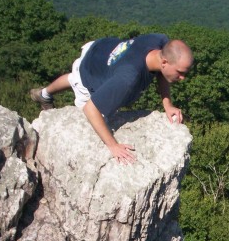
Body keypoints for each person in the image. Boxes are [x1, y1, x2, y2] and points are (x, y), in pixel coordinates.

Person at [30, 33, 194, 165]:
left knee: (75, 77)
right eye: (180, 72)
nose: (182, 78)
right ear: (164, 61)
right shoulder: (128, 79)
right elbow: (90, 109)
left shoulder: (160, 41)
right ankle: (45, 95)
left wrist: (168, 104)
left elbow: (162, 74)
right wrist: (113, 145)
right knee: (81, 86)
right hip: (92, 71)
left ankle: (44, 94)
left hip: (101, 49)